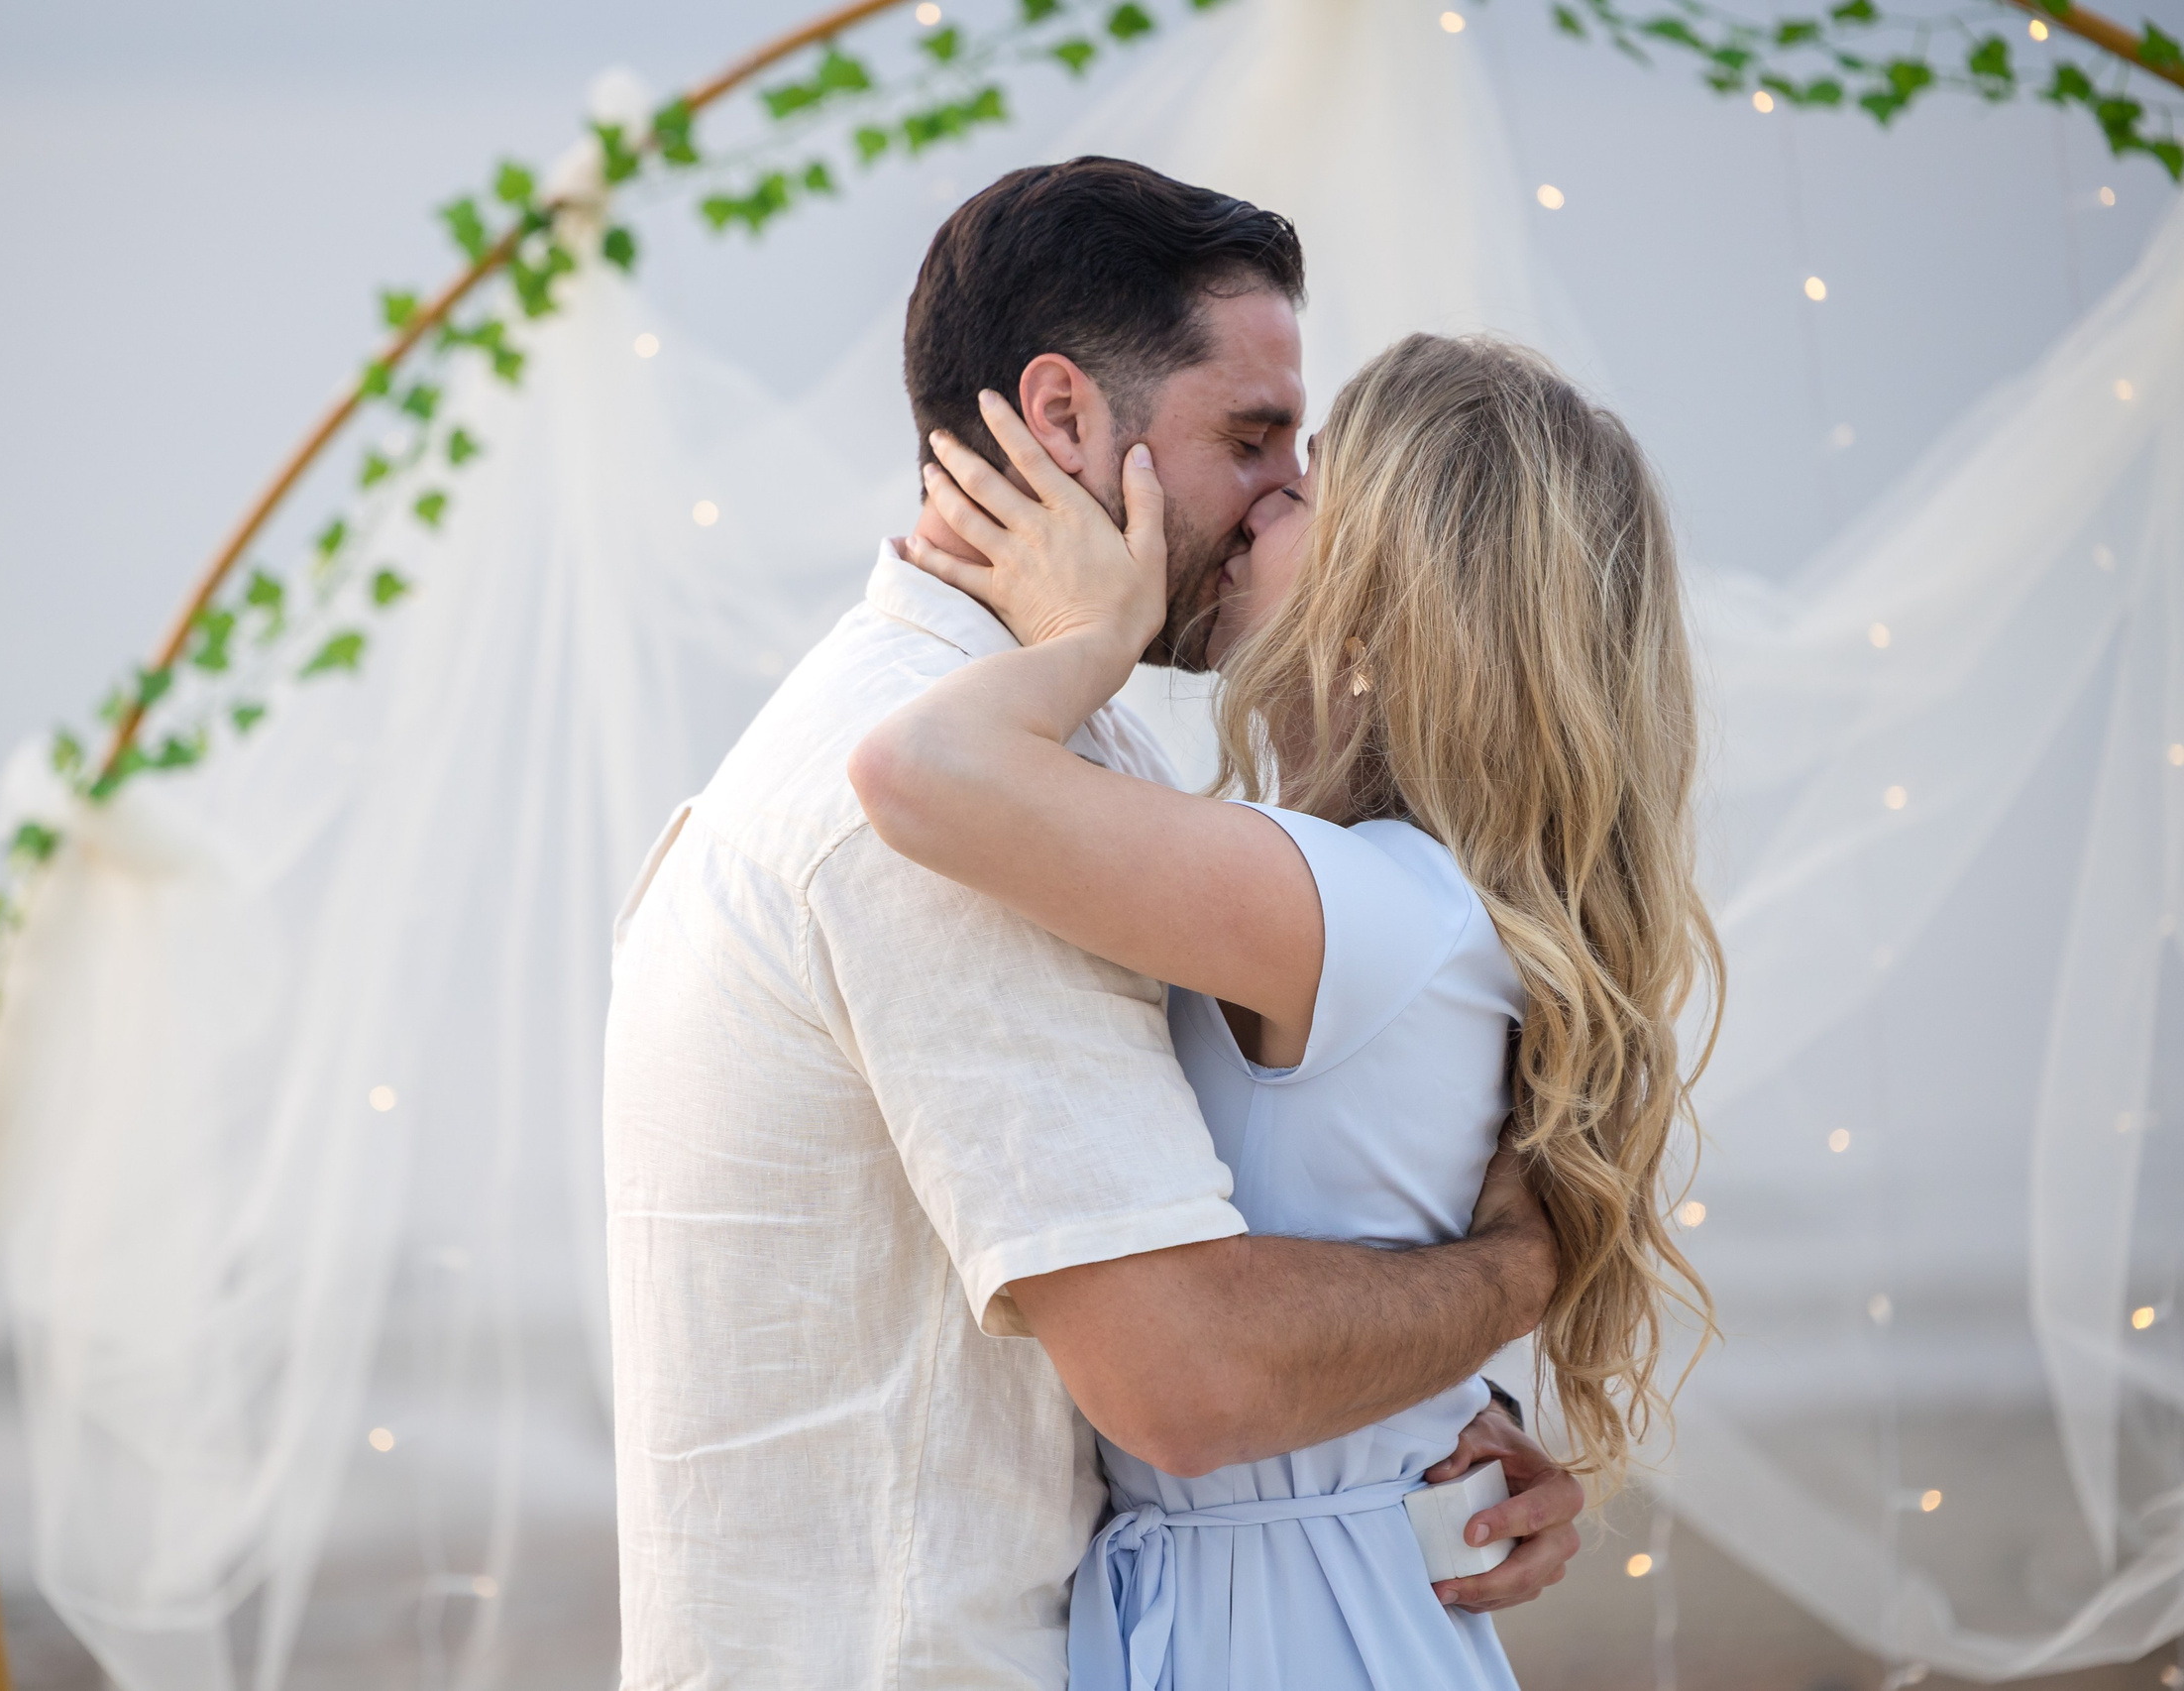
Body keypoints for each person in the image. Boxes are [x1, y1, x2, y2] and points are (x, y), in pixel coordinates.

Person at [601, 160, 1584, 1691]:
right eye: (1250, 440)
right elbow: (1187, 1378)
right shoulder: (937, 826)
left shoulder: (1017, 756)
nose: (1280, 500)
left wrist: (1424, 1446)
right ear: (1064, 417)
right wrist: (1514, 1273)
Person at [849, 333, 1720, 1688]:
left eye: (1305, 490)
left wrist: (1094, 637)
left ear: (1387, 599)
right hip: (1306, 1595)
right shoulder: (1405, 901)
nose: (1257, 505)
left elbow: (920, 768)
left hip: (1290, 1626)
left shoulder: (1368, 903)